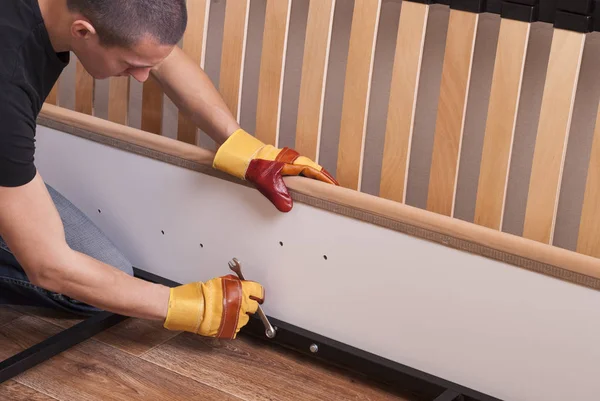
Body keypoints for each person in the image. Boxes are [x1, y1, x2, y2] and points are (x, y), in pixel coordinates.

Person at [0, 0, 338, 339]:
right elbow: (49, 266)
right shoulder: (7, 86)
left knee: (104, 270)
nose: (144, 76)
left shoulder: (83, 14)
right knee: (81, 286)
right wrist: (184, 305)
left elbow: (158, 54)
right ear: (82, 31)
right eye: (132, 64)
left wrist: (243, 146)